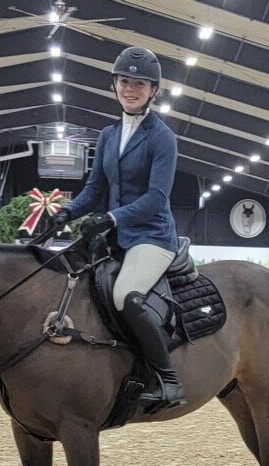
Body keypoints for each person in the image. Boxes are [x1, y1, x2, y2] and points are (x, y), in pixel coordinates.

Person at [50, 46, 186, 412]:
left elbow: (157, 198)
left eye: (139, 84)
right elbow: (96, 189)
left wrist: (111, 218)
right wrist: (66, 212)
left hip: (152, 236)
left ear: (153, 90)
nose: (130, 89)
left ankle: (168, 380)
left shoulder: (163, 138)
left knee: (125, 294)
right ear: (114, 84)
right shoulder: (108, 135)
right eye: (125, 81)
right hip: (116, 235)